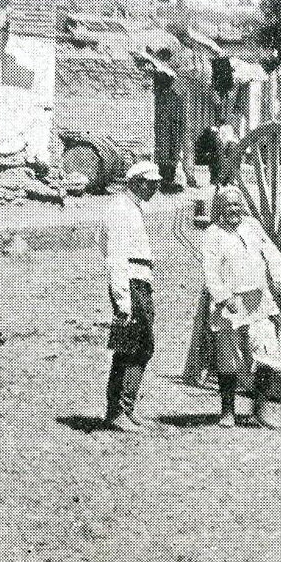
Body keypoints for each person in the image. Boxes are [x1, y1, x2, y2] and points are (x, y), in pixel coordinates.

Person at [186, 185, 281, 428]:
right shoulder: (213, 234)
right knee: (229, 357)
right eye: (228, 205)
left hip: (258, 300)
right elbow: (210, 271)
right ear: (219, 209)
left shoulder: (252, 226)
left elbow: (271, 251)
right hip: (230, 304)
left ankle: (259, 409)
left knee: (266, 351)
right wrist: (224, 297)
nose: (234, 209)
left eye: (237, 204)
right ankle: (228, 411)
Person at [101, 160, 161, 430]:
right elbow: (115, 257)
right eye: (151, 183)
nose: (156, 188)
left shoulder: (131, 208)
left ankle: (123, 408)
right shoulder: (120, 210)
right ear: (137, 182)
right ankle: (118, 411)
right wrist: (123, 298)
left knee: (140, 346)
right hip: (131, 284)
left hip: (140, 283)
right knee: (132, 347)